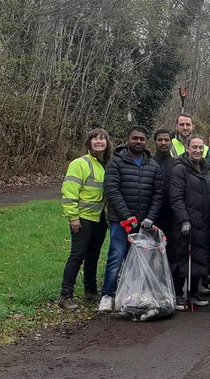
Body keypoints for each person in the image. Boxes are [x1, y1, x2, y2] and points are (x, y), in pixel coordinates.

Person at [100, 127, 164, 312]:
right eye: (135, 138)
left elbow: (157, 194)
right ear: (128, 140)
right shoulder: (116, 162)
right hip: (120, 222)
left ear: (146, 142)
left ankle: (133, 294)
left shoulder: (152, 165)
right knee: (116, 256)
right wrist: (126, 216)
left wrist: (150, 217)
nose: (138, 141)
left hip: (144, 223)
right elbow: (111, 190)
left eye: (142, 139)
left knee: (140, 260)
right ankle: (108, 294)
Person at [59, 129, 111, 309]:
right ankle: (66, 295)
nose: (99, 141)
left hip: (99, 218)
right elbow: (69, 191)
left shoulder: (105, 164)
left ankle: (90, 292)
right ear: (89, 142)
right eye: (95, 139)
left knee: (93, 256)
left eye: (103, 139)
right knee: (77, 255)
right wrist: (73, 216)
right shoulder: (79, 163)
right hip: (82, 218)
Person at [170, 135, 210, 309]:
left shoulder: (206, 168)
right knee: (181, 258)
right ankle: (178, 294)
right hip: (186, 222)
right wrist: (184, 219)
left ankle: (194, 292)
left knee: (199, 258)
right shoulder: (180, 168)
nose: (197, 151)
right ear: (187, 149)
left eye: (200, 148)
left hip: (204, 222)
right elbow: (176, 197)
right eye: (194, 147)